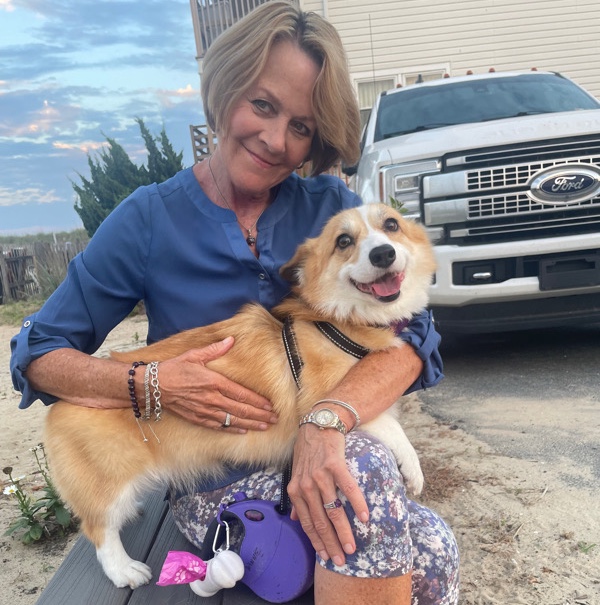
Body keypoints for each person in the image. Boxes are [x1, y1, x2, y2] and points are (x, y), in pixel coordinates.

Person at [10, 2, 459, 604]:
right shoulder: (148, 218)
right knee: (364, 479)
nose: (275, 140)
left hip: (322, 450)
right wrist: (151, 383)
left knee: (434, 554)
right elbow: (38, 353)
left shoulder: (333, 210)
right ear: (225, 91)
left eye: (301, 127)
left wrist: (326, 418)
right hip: (213, 479)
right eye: (263, 105)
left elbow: (411, 337)